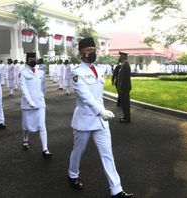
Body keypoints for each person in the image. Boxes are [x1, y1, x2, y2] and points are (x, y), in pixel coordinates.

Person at [67, 37, 133, 198]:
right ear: (81, 53)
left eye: (94, 50)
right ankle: (72, 174)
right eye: (89, 51)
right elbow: (85, 96)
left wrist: (102, 112)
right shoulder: (77, 72)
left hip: (101, 121)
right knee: (79, 150)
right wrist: (101, 111)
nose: (93, 53)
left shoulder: (98, 69)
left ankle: (116, 190)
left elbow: (98, 95)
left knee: (107, 153)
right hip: (85, 119)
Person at [20, 57, 52, 157]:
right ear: (27, 61)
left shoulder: (41, 72)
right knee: (26, 124)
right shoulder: (23, 73)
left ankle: (45, 149)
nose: (33, 61)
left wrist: (42, 95)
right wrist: (29, 100)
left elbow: (43, 86)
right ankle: (25, 140)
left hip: (39, 102)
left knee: (42, 124)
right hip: (27, 103)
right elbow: (23, 88)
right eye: (30, 59)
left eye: (34, 59)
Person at [117, 52, 132, 123]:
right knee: (124, 103)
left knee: (125, 103)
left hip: (124, 88)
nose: (119, 57)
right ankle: (125, 116)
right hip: (124, 88)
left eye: (121, 56)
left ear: (124, 57)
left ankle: (126, 118)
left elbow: (124, 79)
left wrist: (121, 88)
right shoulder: (124, 65)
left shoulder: (125, 65)